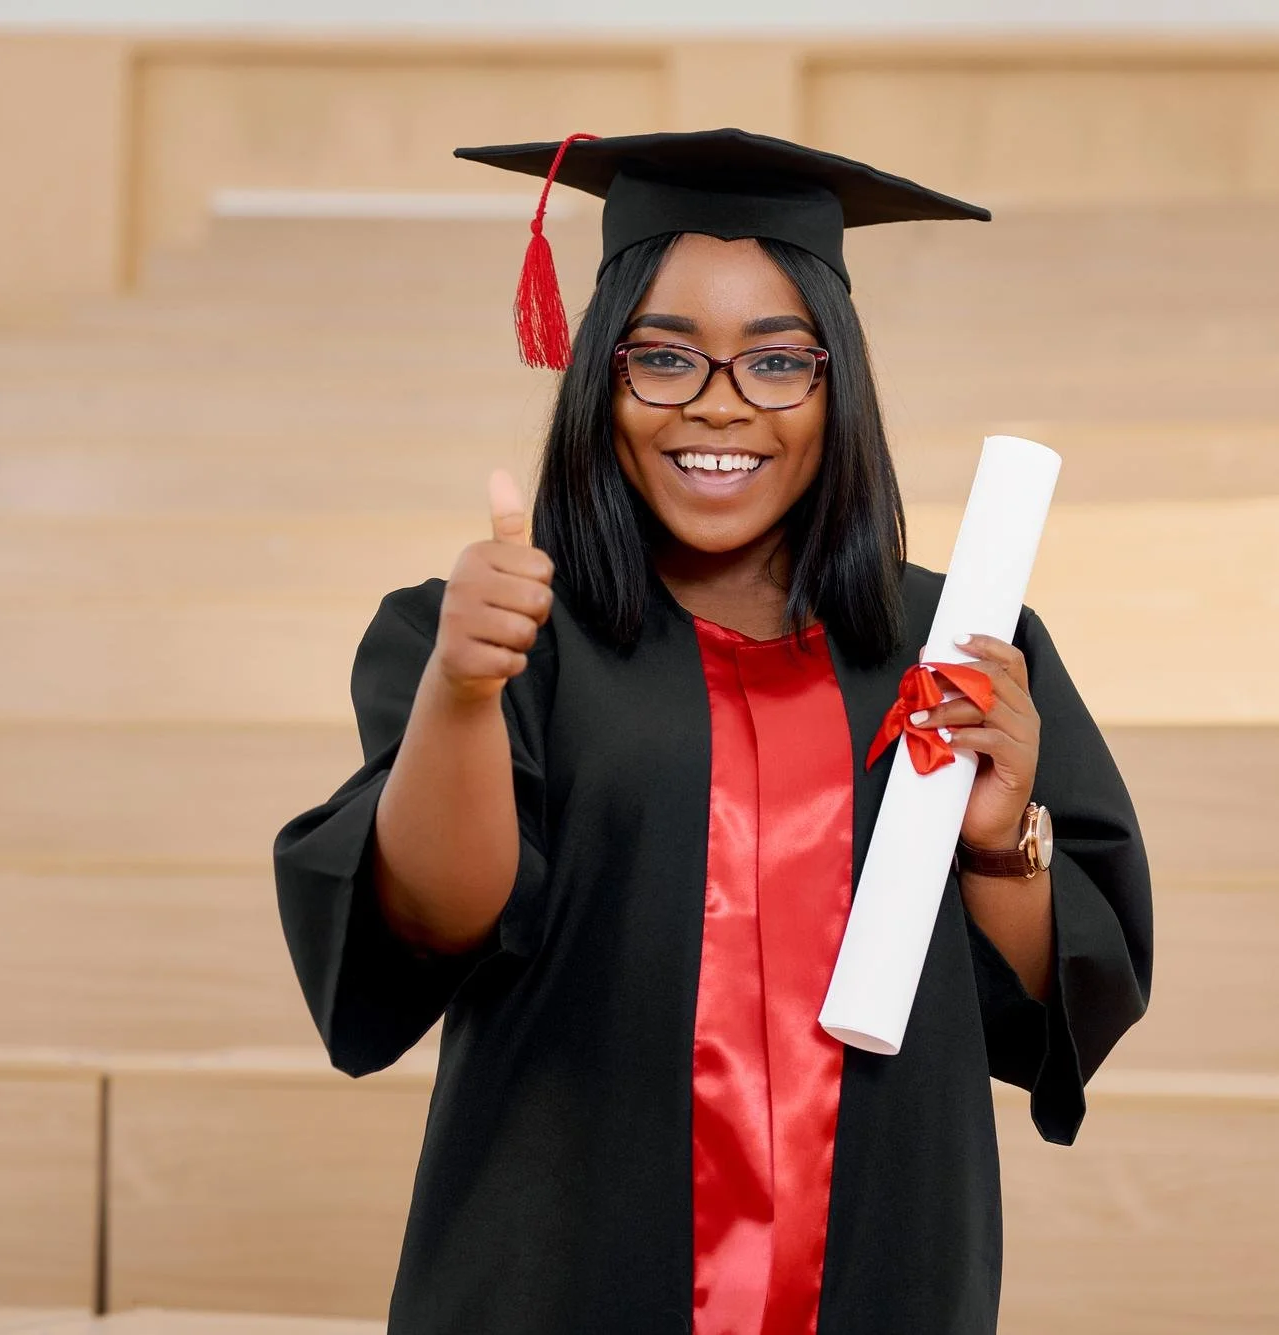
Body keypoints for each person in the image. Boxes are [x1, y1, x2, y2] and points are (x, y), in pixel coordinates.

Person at [274, 129, 1153, 1335]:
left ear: (836, 384)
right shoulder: (491, 633)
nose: (720, 406)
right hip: (568, 1271)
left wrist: (1000, 843)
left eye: (777, 361)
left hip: (882, 1266)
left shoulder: (957, 643)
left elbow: (1060, 1018)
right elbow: (432, 922)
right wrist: (466, 692)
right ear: (600, 373)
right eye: (665, 359)